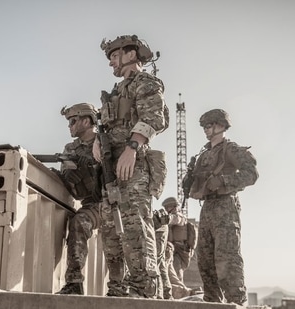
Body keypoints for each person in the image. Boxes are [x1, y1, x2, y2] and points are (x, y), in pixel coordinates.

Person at [93, 34, 169, 298]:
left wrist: (132, 148)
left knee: (135, 229)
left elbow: (154, 117)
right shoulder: (117, 91)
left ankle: (144, 291)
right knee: (111, 233)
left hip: (131, 166)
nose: (111, 63)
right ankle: (118, 290)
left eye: (114, 56)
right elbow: (109, 126)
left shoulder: (145, 82)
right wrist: (97, 142)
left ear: (131, 55)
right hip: (111, 168)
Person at [187, 108, 259, 305]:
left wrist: (224, 181)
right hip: (207, 208)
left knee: (227, 259)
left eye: (208, 126)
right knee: (205, 262)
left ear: (220, 126)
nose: (205, 129)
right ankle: (213, 302)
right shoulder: (203, 155)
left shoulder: (231, 149)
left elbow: (251, 174)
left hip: (226, 207)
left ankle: (236, 302)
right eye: (203, 126)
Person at [55, 103, 103, 295]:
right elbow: (76, 193)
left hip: (115, 203)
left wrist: (94, 168)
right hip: (94, 205)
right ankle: (74, 281)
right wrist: (73, 177)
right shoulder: (71, 149)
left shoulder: (105, 142)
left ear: (86, 121)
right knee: (79, 221)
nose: (70, 126)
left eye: (73, 121)